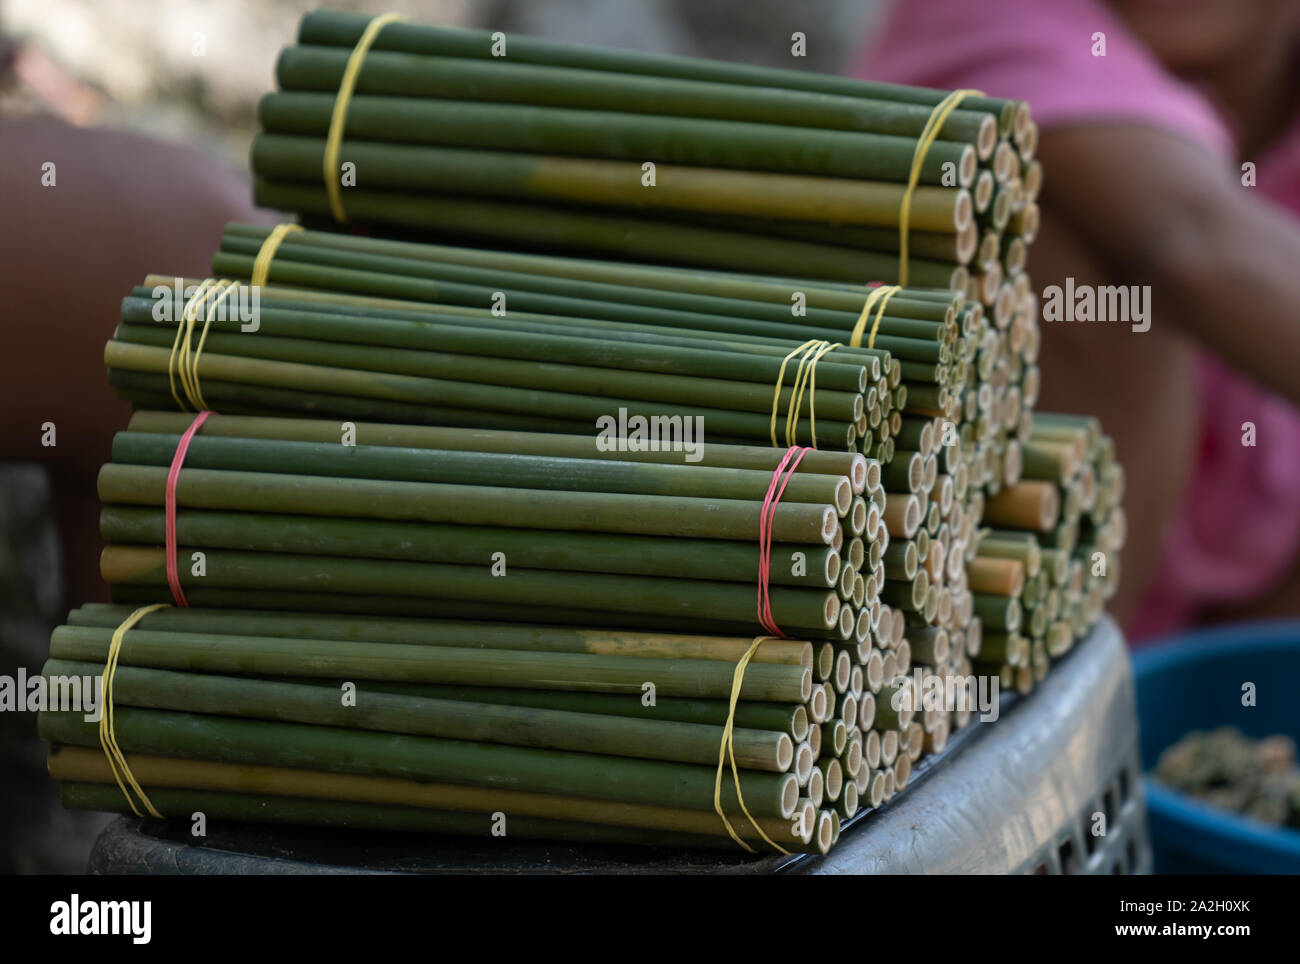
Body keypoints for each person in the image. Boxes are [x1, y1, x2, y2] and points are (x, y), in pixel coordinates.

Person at [856, 0, 1300, 642]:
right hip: (952, 638)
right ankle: (1080, 716)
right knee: (1100, 267)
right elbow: (1189, 243)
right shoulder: (980, 15)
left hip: (1203, 647)